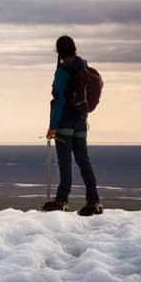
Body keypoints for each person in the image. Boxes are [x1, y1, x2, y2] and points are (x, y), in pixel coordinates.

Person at [43, 35, 103, 216]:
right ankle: (94, 201)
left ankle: (62, 200)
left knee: (65, 162)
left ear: (58, 51)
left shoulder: (62, 71)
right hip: (81, 121)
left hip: (65, 122)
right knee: (83, 160)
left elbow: (59, 100)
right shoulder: (83, 67)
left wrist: (53, 126)